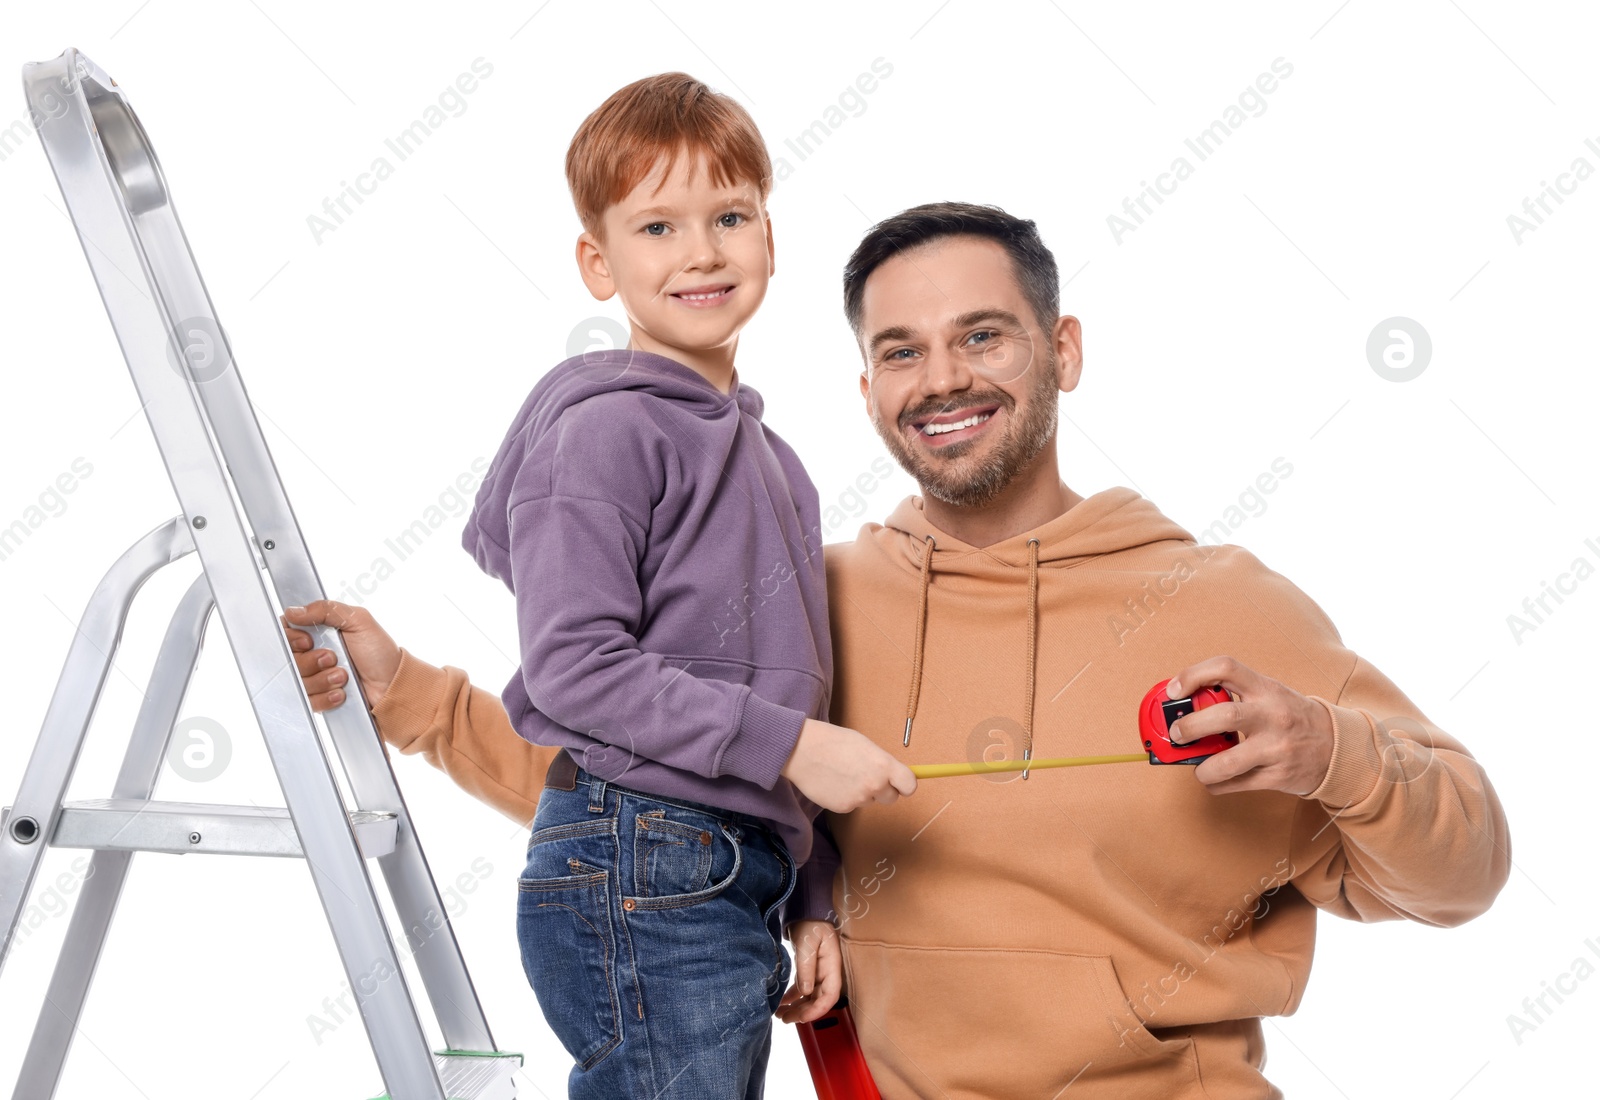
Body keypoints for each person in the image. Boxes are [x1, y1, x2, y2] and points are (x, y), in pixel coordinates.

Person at [285, 202, 1510, 1098]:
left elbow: (1464, 868)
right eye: (901, 350)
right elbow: (647, 786)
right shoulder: (807, 598)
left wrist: (1336, 749)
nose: (943, 380)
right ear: (867, 386)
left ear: (1063, 350)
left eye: (983, 337)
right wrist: (415, 700)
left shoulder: (1223, 603)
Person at [301, 70, 916, 1100]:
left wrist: (812, 894)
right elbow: (579, 669)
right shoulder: (604, 431)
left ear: (771, 235)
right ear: (598, 262)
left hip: (731, 869)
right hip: (641, 858)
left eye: (729, 216)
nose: (703, 251)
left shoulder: (779, 465)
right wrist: (799, 750)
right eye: (657, 227)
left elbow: (793, 690)